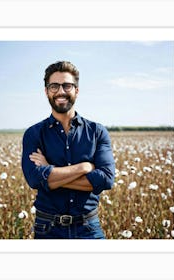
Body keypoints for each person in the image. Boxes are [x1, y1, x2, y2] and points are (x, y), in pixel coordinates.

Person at [21, 61, 115, 239]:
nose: (61, 91)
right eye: (54, 86)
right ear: (46, 91)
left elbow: (106, 180)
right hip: (47, 228)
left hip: (89, 227)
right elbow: (34, 179)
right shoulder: (34, 134)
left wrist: (49, 171)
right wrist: (84, 167)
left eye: (67, 85)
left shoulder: (97, 132)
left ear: (76, 91)